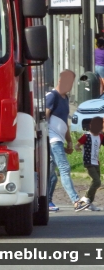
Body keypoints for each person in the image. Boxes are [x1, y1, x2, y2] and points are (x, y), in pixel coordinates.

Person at [46, 69, 90, 212]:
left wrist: (69, 141)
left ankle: (47, 201)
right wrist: (44, 138)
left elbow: (64, 123)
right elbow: (44, 118)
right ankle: (76, 201)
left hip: (58, 139)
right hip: (52, 140)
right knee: (64, 168)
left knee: (52, 174)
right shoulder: (53, 96)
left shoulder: (65, 99)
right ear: (60, 81)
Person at [75, 116, 104, 211]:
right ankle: (86, 197)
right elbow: (77, 145)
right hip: (88, 162)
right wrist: (77, 148)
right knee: (97, 181)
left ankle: (89, 203)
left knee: (95, 183)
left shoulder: (101, 136)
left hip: (96, 162)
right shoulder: (86, 136)